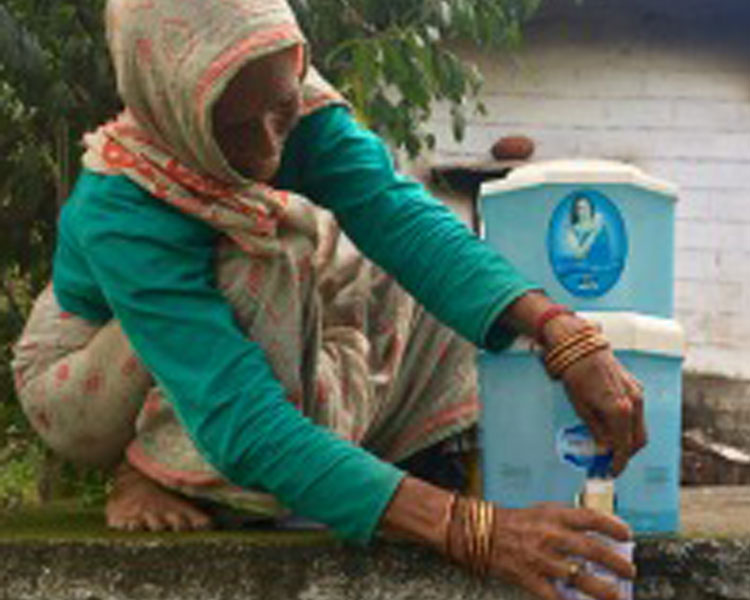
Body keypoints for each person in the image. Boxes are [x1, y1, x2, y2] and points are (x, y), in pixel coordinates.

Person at [11, 1, 646, 599]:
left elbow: (401, 221)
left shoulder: (293, 105)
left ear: (294, 68)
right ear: (171, 107)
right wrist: (475, 532)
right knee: (265, 260)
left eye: (279, 109)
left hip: (207, 354)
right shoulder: (122, 207)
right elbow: (245, 419)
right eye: (234, 128)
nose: (267, 147)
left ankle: (373, 474)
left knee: (426, 281)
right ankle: (155, 467)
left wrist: (562, 332)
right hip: (86, 382)